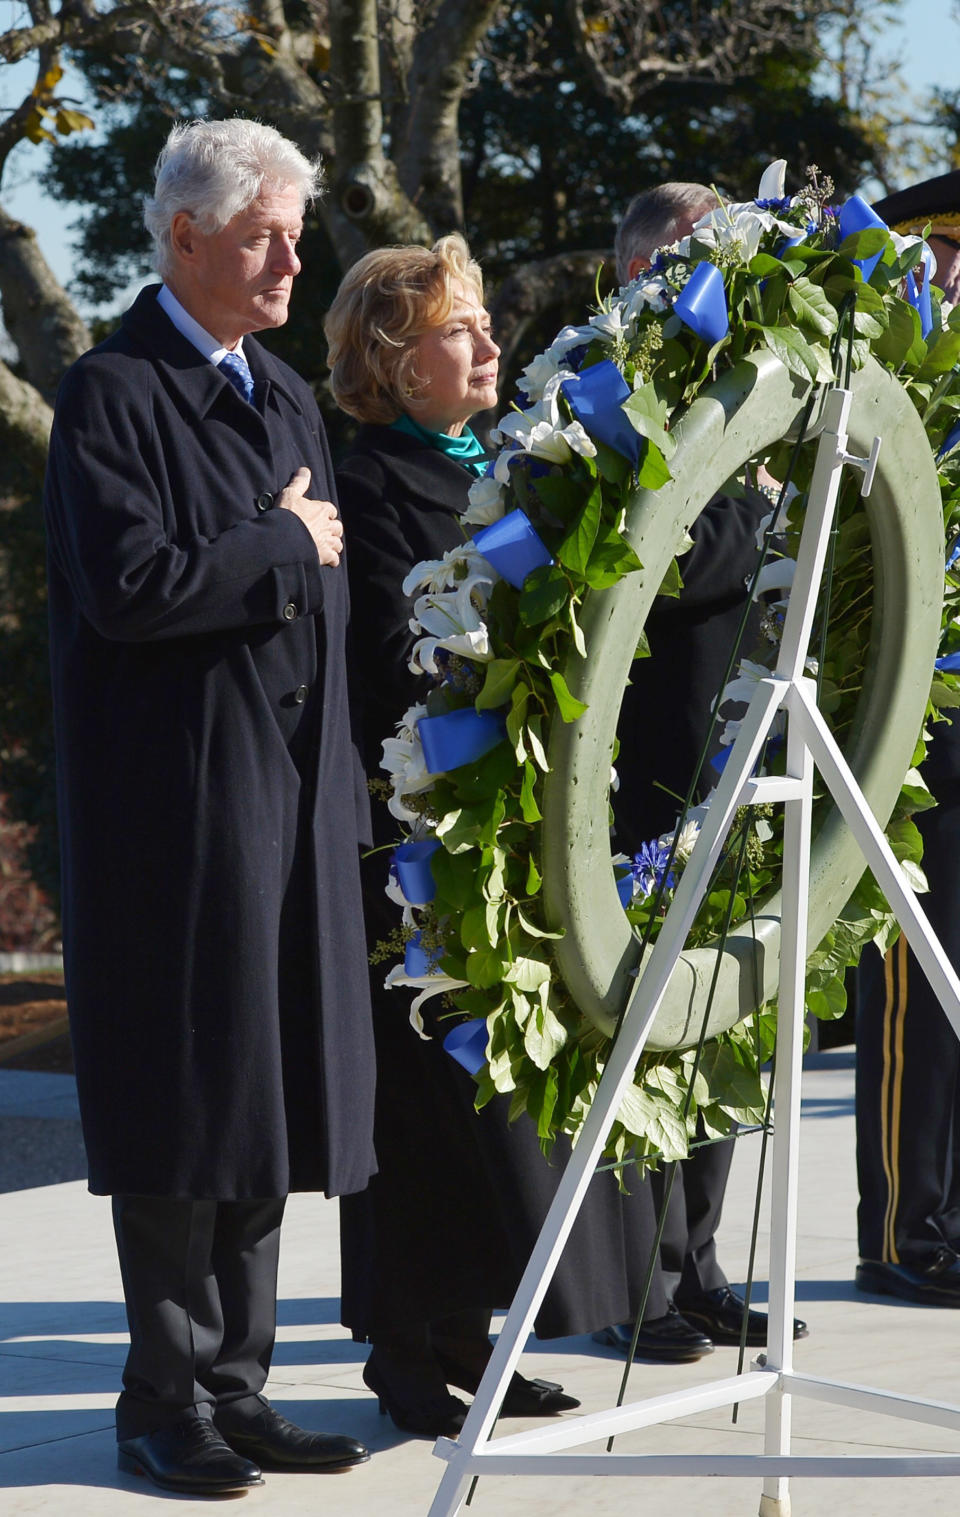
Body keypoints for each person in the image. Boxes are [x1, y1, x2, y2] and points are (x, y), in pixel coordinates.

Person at [43, 118, 376, 1496]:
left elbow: (331, 611)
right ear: (184, 239)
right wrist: (278, 541)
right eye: (264, 236)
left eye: (296, 232)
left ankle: (238, 1385)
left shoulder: (286, 395)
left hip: (291, 806)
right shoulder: (112, 395)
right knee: (185, 1108)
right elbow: (134, 588)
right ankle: (159, 1397)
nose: (295, 259)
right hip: (176, 814)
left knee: (265, 1098)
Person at [327, 235, 677, 1435]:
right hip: (426, 832)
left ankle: (480, 1338)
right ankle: (406, 1350)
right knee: (425, 1104)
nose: (488, 346)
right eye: (457, 329)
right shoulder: (370, 482)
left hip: (527, 818)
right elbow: (391, 660)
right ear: (392, 358)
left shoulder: (515, 462)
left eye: (483, 324)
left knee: (498, 1094)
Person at [602, 181, 809, 1357]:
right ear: (641, 271)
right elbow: (657, 555)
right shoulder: (616, 392)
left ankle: (702, 1262)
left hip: (745, 743)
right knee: (647, 1011)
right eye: (697, 254)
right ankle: (642, 1278)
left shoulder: (743, 380)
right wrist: (774, 521)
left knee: (724, 1014)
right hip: (652, 750)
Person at [853, 170, 960, 1305]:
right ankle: (900, 1231)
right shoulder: (888, 385)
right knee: (913, 1002)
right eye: (941, 252)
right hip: (914, 729)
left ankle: (953, 1216)